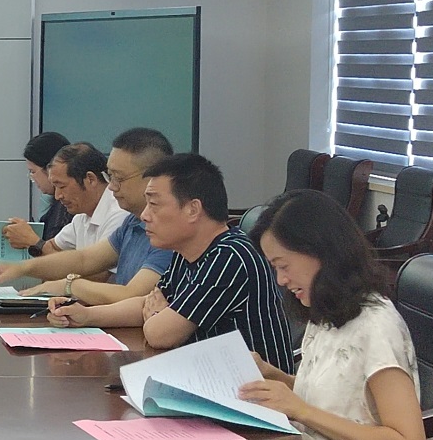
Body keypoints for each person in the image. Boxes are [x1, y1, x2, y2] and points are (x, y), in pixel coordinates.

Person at [238, 190, 429, 440]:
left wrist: (301, 410)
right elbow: (344, 398)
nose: (281, 280)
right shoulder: (328, 311)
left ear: (321, 253)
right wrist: (275, 377)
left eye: (283, 266)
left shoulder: (376, 328)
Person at [48, 152, 294, 371]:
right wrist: (86, 316)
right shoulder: (185, 251)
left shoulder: (230, 256)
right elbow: (144, 304)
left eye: (154, 204)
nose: (145, 215)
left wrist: (159, 314)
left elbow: (160, 334)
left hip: (254, 398)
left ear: (193, 209)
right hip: (205, 380)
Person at [0, 128, 175, 304]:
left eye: (119, 178)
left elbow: (131, 295)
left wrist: (69, 285)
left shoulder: (169, 233)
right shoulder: (132, 220)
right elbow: (84, 259)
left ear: (152, 177)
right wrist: (22, 268)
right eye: (110, 176)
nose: (112, 186)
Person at [3, 131, 72, 255]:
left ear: (50, 168)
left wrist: (31, 240)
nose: (32, 178)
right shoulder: (54, 204)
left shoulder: (68, 206)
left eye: (33, 171)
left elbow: (60, 259)